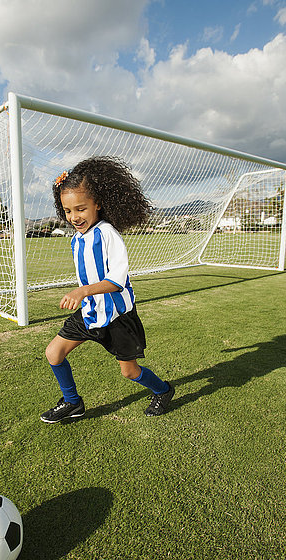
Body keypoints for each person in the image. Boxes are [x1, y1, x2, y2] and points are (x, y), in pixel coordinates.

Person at [40, 156, 175, 423]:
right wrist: (85, 295)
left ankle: (163, 390)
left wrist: (81, 292)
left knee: (130, 372)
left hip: (117, 318)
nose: (74, 217)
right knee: (53, 353)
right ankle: (72, 402)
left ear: (97, 204)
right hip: (90, 313)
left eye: (80, 209)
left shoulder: (108, 233)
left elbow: (117, 280)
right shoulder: (78, 238)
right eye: (68, 211)